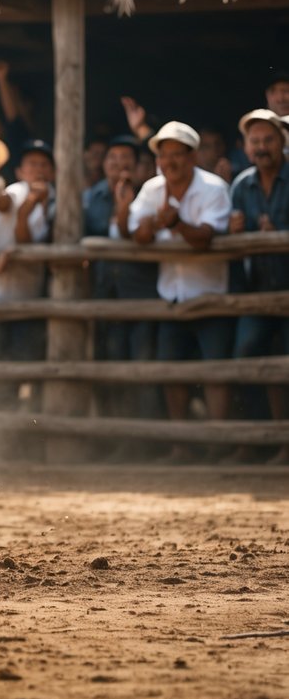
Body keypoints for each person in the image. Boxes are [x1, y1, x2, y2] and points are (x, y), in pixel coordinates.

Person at [129, 121, 233, 461]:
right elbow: (135, 233)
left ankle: (218, 444)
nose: (169, 162)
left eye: (176, 155)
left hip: (209, 295)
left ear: (192, 157)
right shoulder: (152, 189)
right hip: (171, 295)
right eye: (164, 155)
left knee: (215, 372)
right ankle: (181, 444)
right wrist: (149, 227)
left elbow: (206, 238)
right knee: (173, 372)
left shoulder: (213, 188)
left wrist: (173, 223)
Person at [0, 140, 55, 411]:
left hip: (26, 299)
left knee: (22, 369)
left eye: (43, 164)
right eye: (32, 164)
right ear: (20, 172)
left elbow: (27, 240)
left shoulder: (56, 204)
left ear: (52, 172)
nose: (38, 169)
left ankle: (14, 431)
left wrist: (15, 246)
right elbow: (1, 201)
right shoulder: (17, 191)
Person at [86, 135, 160, 423]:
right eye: (113, 160)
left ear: (138, 165)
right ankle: (112, 431)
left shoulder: (149, 196)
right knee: (109, 361)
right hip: (104, 292)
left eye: (126, 160)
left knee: (143, 362)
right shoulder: (91, 197)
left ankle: (146, 434)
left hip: (141, 292)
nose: (119, 166)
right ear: (103, 164)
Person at [229, 109, 289, 463]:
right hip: (257, 292)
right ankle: (254, 439)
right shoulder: (241, 185)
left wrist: (277, 236)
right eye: (255, 141)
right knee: (245, 357)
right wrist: (238, 235)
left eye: (268, 140)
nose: (262, 147)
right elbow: (231, 241)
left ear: (282, 142)